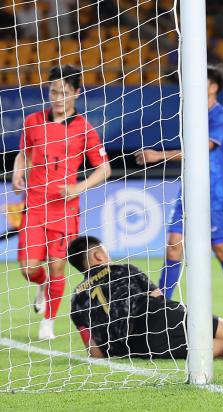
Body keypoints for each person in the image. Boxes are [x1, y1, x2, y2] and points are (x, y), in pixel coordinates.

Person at [67, 236, 223, 360]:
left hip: (141, 345)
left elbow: (95, 351)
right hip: (159, 313)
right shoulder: (123, 269)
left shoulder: (76, 298)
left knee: (217, 350)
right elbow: (156, 295)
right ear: (99, 255)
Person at [135, 64, 223, 324]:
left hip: (213, 193)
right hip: (188, 191)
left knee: (222, 249)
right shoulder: (192, 115)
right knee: (174, 246)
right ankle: (161, 306)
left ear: (213, 87)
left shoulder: (221, 115)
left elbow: (203, 148)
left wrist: (158, 156)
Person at [12, 64, 111, 340]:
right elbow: (24, 153)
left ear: (76, 93)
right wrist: (18, 173)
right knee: (29, 269)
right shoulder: (33, 121)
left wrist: (79, 186)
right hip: (34, 205)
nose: (58, 98)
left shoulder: (84, 129)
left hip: (64, 211)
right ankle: (41, 285)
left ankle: (48, 321)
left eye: (64, 93)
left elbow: (104, 168)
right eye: (54, 92)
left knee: (57, 266)